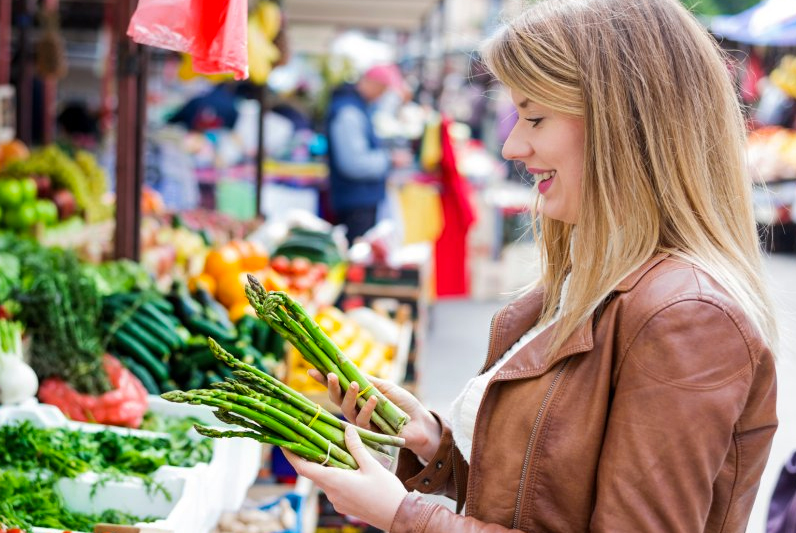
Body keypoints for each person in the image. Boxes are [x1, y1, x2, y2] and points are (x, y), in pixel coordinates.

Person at [282, 0, 779, 531]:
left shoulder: (688, 316)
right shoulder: (595, 281)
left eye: (535, 116)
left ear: (625, 126)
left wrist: (403, 515)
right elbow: (550, 494)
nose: (513, 144)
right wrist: (430, 439)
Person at [325, 64, 411, 244]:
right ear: (373, 84)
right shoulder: (348, 112)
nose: (382, 94)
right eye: (383, 89)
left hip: (358, 201)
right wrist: (389, 159)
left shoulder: (356, 108)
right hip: (355, 205)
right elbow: (353, 163)